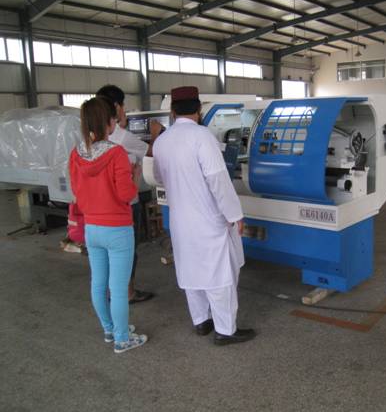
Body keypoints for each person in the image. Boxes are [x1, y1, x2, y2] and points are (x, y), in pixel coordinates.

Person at [152, 86, 255, 346]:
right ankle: (225, 330)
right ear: (198, 110)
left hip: (180, 220)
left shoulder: (162, 141)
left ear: (173, 111)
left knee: (190, 271)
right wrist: (234, 214)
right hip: (207, 220)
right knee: (219, 275)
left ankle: (201, 321)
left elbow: (159, 177)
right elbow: (218, 180)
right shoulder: (202, 136)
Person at [69, 96, 148, 353]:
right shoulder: (116, 153)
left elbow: (76, 191)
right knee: (118, 288)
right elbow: (126, 195)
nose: (116, 121)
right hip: (117, 229)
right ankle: (123, 339)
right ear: (108, 122)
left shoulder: (76, 154)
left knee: (98, 283)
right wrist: (135, 176)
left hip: (92, 228)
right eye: (114, 118)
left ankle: (110, 329)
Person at [96, 84, 157, 304]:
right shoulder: (121, 136)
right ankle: (127, 292)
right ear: (116, 107)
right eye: (123, 106)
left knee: (107, 252)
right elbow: (151, 151)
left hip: (100, 205)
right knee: (128, 249)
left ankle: (108, 291)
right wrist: (156, 133)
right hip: (125, 204)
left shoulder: (92, 135)